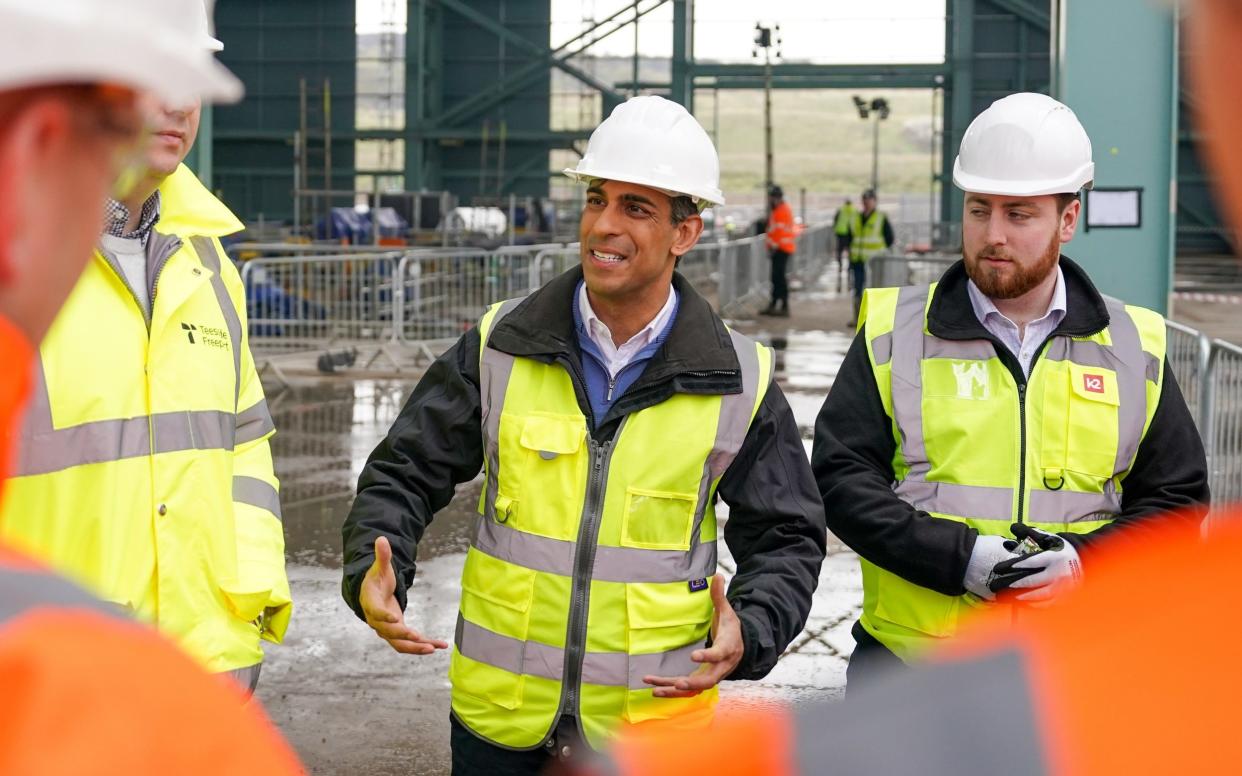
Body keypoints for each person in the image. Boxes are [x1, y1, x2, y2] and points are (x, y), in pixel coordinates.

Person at [341, 95, 826, 774]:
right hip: (499, 726)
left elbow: (786, 535)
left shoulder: (737, 380)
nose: (604, 224)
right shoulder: (500, 346)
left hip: (651, 733)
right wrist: (372, 566)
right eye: (597, 199)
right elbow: (404, 471)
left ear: (684, 234)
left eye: (636, 207)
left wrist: (753, 624)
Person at [812, 93, 1209, 690]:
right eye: (979, 210)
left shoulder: (1134, 344)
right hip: (912, 676)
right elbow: (840, 479)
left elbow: (1177, 503)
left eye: (1019, 214)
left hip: (1075, 674)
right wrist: (960, 559)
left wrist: (1083, 564)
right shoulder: (894, 333)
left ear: (1067, 220)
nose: (993, 234)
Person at [0, 0, 303, 772]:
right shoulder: (30, 265)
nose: (176, 103)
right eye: (152, 79)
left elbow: (244, 448)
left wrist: (250, 601)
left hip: (205, 664)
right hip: (53, 691)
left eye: (187, 78)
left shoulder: (208, 264)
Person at [845, 188, 894, 327]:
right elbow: (849, 237)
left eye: (869, 200)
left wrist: (880, 252)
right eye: (865, 200)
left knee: (874, 290)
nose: (867, 202)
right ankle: (858, 319)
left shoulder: (881, 218)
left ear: (875, 201)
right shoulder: (855, 218)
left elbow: (889, 239)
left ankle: (874, 320)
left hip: (875, 262)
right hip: (858, 260)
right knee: (858, 289)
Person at [761, 184, 796, 316]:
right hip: (779, 249)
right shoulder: (779, 210)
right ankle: (776, 304)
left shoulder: (781, 211)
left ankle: (782, 306)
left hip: (781, 249)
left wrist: (773, 246)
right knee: (776, 278)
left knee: (779, 278)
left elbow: (779, 233)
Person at [832, 197, 857, 285]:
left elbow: (835, 220)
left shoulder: (841, 209)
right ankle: (850, 267)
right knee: (850, 252)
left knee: (840, 250)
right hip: (851, 234)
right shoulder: (854, 210)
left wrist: (835, 229)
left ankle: (840, 265)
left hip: (841, 233)